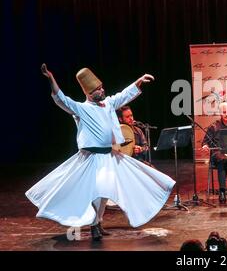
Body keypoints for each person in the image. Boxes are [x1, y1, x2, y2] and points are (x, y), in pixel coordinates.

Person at [26, 64, 175, 241]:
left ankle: (98, 222)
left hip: (109, 156)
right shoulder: (82, 108)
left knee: (105, 193)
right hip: (91, 158)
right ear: (89, 93)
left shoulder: (108, 104)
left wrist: (139, 82)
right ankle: (94, 224)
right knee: (99, 191)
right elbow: (61, 99)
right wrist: (51, 78)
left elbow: (123, 95)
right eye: (98, 89)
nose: (102, 90)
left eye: (101, 87)